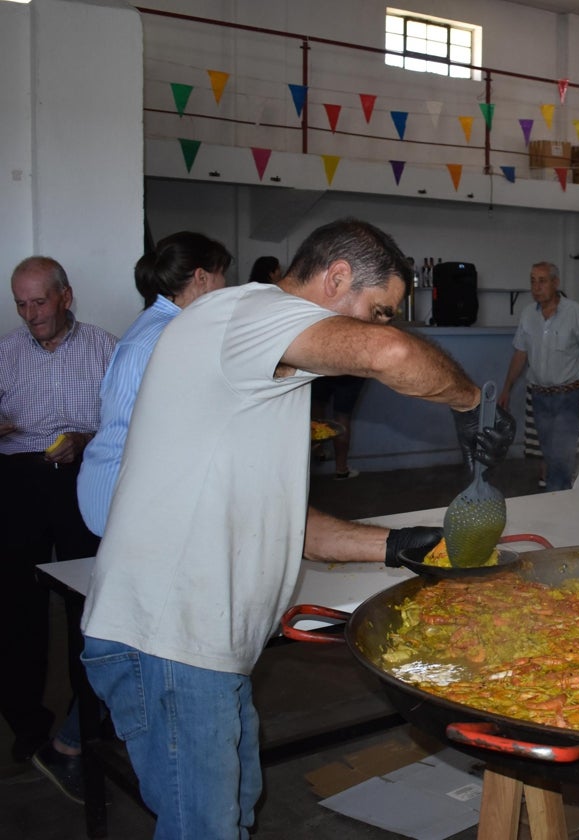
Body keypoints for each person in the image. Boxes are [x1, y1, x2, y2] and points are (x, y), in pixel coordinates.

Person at [78, 218, 514, 839]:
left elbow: (278, 516)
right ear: (337, 277)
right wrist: (472, 404)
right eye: (379, 309)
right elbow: (391, 355)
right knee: (204, 828)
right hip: (167, 640)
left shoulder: (268, 361)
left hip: (203, 647)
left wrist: (393, 546)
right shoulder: (247, 314)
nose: (383, 326)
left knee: (236, 805)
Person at [31, 233, 232, 803]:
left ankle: (75, 742)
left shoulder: (154, 326)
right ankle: (81, 745)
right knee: (145, 642)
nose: (226, 288)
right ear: (201, 278)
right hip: (130, 503)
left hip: (115, 496)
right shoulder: (172, 335)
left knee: (133, 634)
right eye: (222, 276)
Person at [0, 258, 116, 764]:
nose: (30, 314)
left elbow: (125, 425)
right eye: (21, 304)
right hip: (17, 480)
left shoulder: (106, 349)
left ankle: (86, 717)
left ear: (65, 296)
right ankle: (26, 723)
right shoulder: (5, 351)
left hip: (79, 479)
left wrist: (85, 440)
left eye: (39, 302)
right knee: (13, 603)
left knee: (83, 599)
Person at [499, 262, 579, 491]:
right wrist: (506, 389)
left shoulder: (575, 313)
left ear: (555, 283)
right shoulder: (529, 315)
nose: (536, 287)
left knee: (562, 457)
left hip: (568, 396)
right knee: (548, 455)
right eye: (532, 281)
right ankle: (558, 498)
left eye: (542, 281)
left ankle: (557, 500)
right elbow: (520, 354)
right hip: (539, 398)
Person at [311, 375, 366, 479]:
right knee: (342, 414)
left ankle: (318, 451)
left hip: (323, 365)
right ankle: (341, 469)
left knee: (317, 404)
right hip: (350, 371)